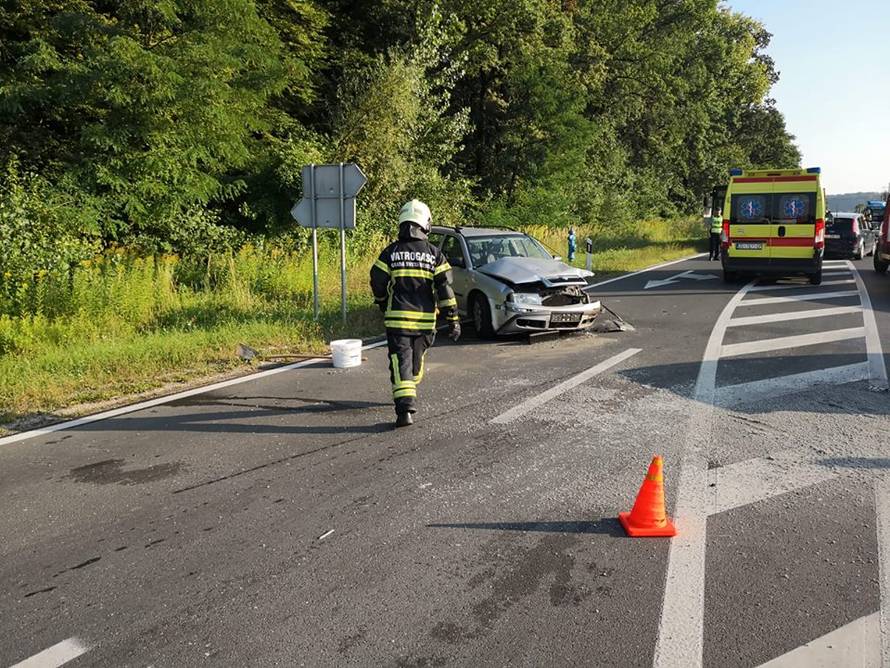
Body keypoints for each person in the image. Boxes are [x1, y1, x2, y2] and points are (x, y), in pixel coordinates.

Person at [370, 199, 461, 428]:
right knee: (409, 364)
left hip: (397, 320)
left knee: (403, 364)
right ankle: (405, 409)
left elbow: (377, 280)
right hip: (424, 322)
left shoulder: (390, 252)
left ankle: (406, 389)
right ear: (425, 224)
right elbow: (445, 288)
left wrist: (382, 302)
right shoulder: (434, 254)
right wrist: (453, 319)